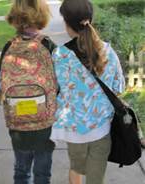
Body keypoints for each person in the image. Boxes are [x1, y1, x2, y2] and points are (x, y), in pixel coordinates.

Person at [50, 0, 125, 184]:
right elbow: (119, 88)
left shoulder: (60, 55)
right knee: (96, 176)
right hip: (102, 129)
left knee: (76, 168)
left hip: (74, 131)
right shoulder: (107, 51)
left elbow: (56, 89)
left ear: (67, 24)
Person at [0, 0, 57, 183]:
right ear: (42, 15)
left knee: (21, 170)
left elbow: (0, 82)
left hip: (18, 122)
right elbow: (60, 81)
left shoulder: (9, 47)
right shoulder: (47, 46)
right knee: (42, 172)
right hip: (43, 122)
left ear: (14, 17)